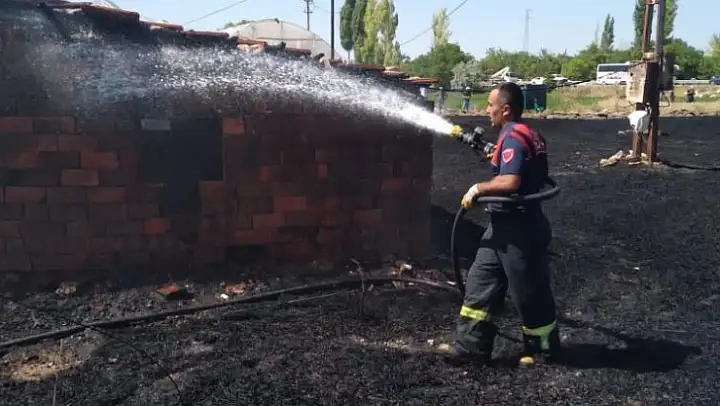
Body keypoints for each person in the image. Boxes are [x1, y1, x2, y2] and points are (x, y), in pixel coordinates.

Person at [443, 82, 561, 368]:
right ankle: (471, 347)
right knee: (479, 282)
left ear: (505, 109)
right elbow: (527, 169)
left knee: (529, 294)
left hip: (520, 230)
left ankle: (544, 350)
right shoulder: (526, 133)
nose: (487, 110)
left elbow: (511, 181)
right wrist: (499, 156)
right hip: (501, 227)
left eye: (490, 105)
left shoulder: (512, 139)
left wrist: (478, 188)